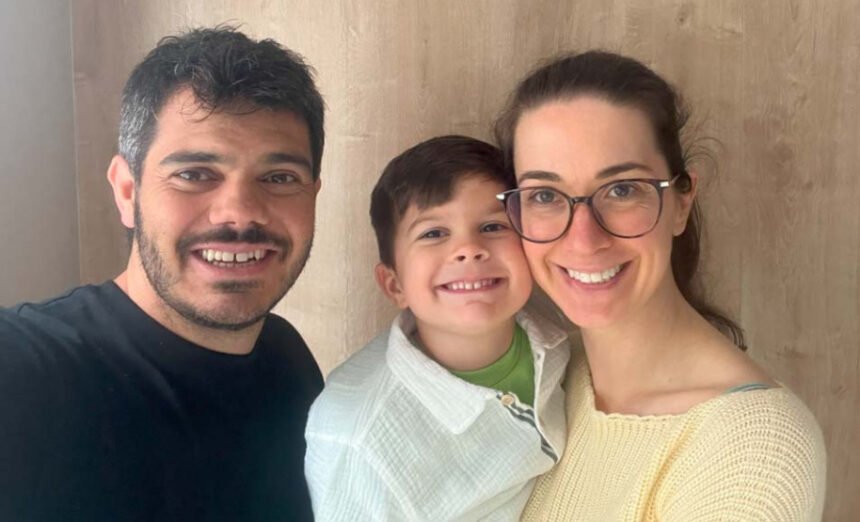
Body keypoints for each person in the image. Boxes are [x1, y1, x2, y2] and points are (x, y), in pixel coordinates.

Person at [0, 27, 325, 521]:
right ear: (127, 192)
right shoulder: (25, 375)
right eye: (194, 174)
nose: (240, 212)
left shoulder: (288, 362)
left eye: (280, 178)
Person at [493, 51, 827, 521]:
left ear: (681, 203)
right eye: (545, 195)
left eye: (622, 189)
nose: (584, 239)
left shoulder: (755, 450)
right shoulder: (540, 377)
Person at [304, 135, 570, 521]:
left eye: (492, 226)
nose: (468, 249)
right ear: (395, 285)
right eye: (433, 234)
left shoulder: (563, 338)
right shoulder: (360, 439)